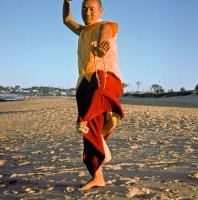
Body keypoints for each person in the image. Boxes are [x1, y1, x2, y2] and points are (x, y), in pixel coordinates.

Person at [63, 0, 125, 190]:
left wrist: (99, 48)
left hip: (105, 75)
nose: (87, 12)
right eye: (84, 9)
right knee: (89, 133)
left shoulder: (106, 25)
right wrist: (66, 2)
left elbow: (104, 35)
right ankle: (98, 177)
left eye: (91, 9)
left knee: (96, 97)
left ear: (100, 10)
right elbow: (66, 19)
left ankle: (85, 119)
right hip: (84, 81)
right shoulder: (82, 31)